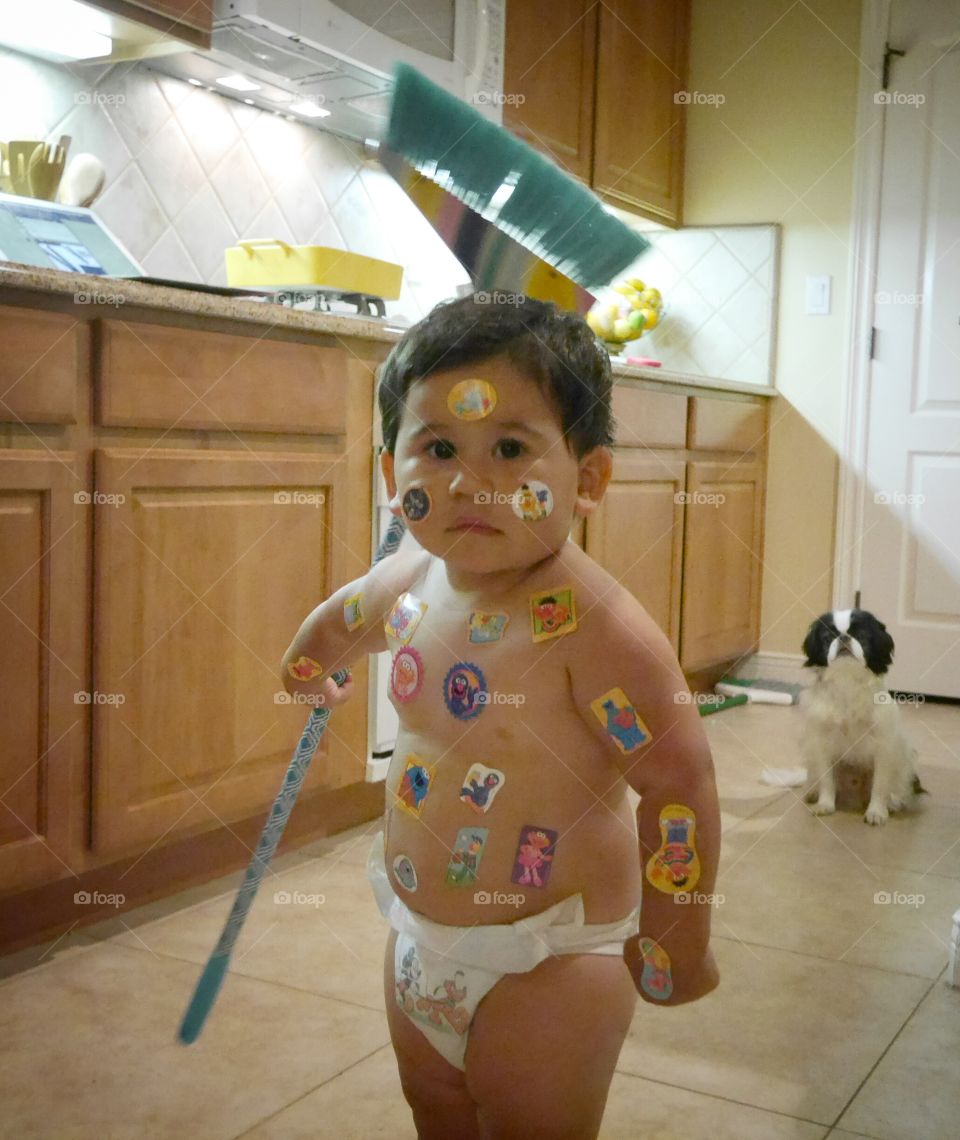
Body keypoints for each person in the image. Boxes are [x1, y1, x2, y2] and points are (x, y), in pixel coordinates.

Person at [282, 294, 720, 1139]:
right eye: (439, 448)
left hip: (551, 955)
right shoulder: (408, 580)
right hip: (419, 935)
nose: (468, 483)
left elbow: (679, 781)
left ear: (589, 479)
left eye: (511, 450)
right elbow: (338, 622)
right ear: (392, 476)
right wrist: (305, 672)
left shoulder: (598, 627)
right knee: (435, 1106)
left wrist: (679, 936)